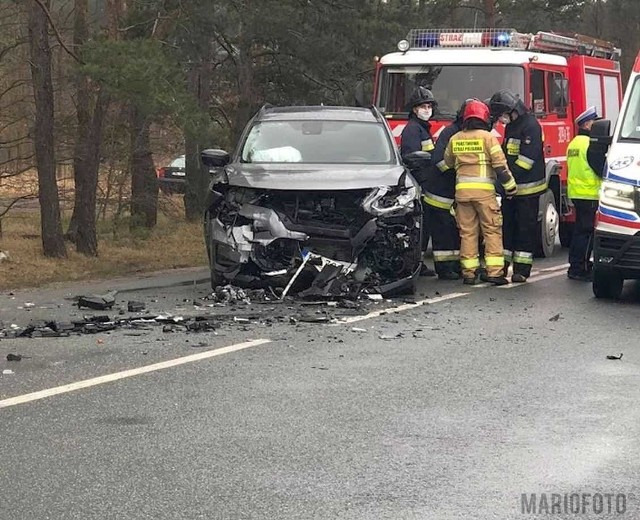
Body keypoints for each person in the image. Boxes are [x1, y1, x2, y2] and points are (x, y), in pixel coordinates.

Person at [443, 99, 517, 285]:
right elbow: (500, 166)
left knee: (467, 233)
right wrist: (511, 187)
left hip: (462, 195)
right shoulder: (488, 138)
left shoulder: (456, 138)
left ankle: (469, 273)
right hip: (484, 194)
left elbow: (448, 162)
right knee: (491, 231)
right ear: (484, 118)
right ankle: (494, 273)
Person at [489, 89, 546, 283]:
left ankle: (521, 270)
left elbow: (526, 161)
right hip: (510, 188)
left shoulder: (531, 126)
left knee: (524, 229)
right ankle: (503, 267)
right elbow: (507, 155)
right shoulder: (512, 126)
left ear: (511, 110)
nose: (501, 120)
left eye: (502, 115)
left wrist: (507, 179)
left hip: (527, 189)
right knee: (508, 228)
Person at [426, 100, 471, 280]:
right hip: (440, 193)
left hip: (453, 193)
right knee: (443, 233)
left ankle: (454, 266)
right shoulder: (451, 133)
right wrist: (457, 172)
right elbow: (439, 160)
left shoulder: (464, 133)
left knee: (453, 232)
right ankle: (444, 269)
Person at [400, 86, 437, 276]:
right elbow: (413, 158)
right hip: (421, 185)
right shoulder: (413, 130)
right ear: (415, 109)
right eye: (423, 106)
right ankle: (416, 263)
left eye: (429, 106)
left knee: (426, 225)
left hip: (427, 183)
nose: (427, 109)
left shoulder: (422, 128)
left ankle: (418, 262)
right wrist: (422, 184)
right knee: (420, 226)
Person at [566, 106, 603, 281]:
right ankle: (580, 267)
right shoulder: (590, 144)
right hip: (589, 193)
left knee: (579, 231)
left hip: (576, 193)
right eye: (594, 122)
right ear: (587, 124)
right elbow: (600, 168)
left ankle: (575, 265)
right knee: (587, 232)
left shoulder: (573, 143)